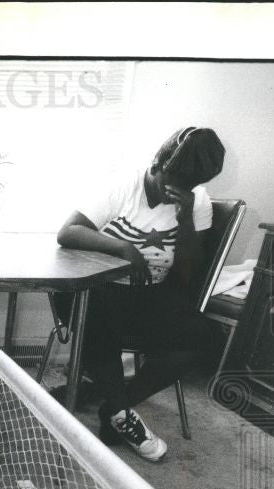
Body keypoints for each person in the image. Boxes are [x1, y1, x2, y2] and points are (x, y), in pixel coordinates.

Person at [56, 126, 226, 461]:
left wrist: (187, 219)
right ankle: (123, 414)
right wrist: (123, 248)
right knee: (95, 313)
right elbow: (68, 232)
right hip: (98, 288)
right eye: (169, 184)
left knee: (204, 338)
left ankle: (115, 407)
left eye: (187, 188)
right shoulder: (123, 186)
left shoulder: (196, 201)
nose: (172, 194)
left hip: (152, 293)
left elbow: (189, 273)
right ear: (157, 165)